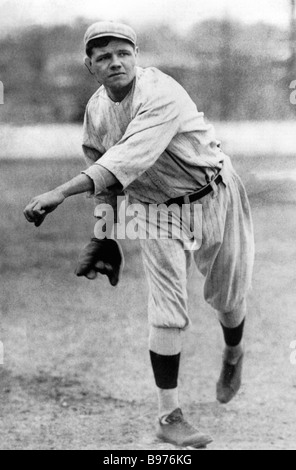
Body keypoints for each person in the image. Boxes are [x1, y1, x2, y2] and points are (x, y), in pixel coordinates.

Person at [24, 21, 255, 449]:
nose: (115, 62)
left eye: (122, 53)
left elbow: (122, 161)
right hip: (152, 209)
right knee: (166, 308)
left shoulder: (160, 93)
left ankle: (233, 353)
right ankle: (170, 415)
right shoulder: (96, 111)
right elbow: (108, 174)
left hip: (212, 193)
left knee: (226, 297)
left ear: (136, 55)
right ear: (90, 65)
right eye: (103, 56)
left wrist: (58, 192)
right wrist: (104, 233)